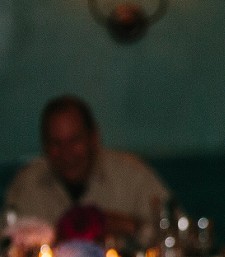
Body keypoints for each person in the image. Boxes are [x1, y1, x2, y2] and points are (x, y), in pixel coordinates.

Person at [5, 95, 171, 247]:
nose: (66, 152)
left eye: (74, 140)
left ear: (94, 138)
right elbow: (6, 244)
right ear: (44, 146)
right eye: (55, 143)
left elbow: (175, 234)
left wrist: (130, 226)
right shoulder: (27, 183)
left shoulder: (132, 175)